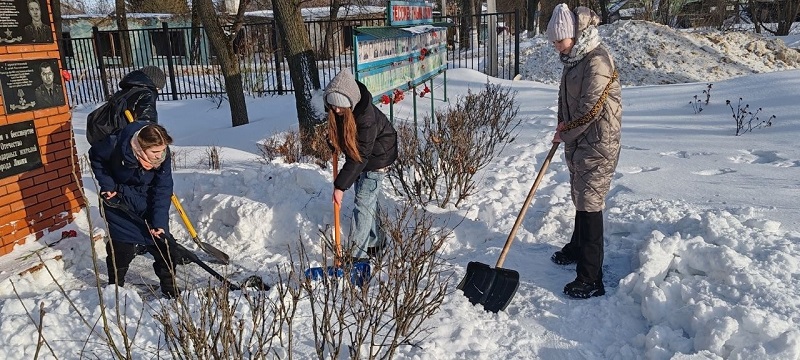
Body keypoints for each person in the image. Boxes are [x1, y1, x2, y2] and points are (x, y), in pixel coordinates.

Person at [547, 4, 622, 299]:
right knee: (581, 192)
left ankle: (591, 277)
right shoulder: (575, 59)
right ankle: (578, 247)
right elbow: (565, 101)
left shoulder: (596, 62)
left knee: (590, 201)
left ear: (573, 35)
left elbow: (589, 110)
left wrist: (565, 131)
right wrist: (561, 126)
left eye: (557, 39)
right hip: (580, 139)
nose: (554, 45)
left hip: (598, 142)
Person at [89, 121, 179, 297]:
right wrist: (108, 185)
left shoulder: (162, 155)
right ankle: (115, 289)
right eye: (154, 152)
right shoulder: (115, 144)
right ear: (140, 147)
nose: (159, 156)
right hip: (119, 201)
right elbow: (96, 156)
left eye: (162, 151)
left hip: (148, 200)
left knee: (164, 245)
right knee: (121, 248)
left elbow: (163, 188)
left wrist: (159, 222)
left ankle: (170, 290)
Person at [324, 70, 398, 263]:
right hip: (363, 155)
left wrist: (340, 186)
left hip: (379, 154)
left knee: (363, 203)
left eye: (340, 107)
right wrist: (335, 142)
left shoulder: (366, 117)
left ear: (351, 103)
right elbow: (347, 135)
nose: (336, 110)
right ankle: (375, 241)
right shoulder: (339, 110)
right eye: (332, 106)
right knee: (366, 199)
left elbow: (361, 156)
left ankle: (357, 257)